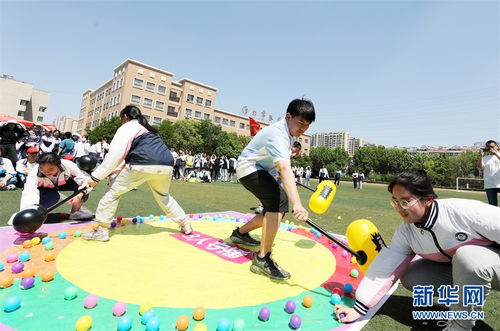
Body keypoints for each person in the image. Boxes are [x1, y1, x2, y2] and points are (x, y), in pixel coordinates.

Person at [334, 171, 500, 331]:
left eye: (405, 202)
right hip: (466, 268)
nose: (399, 208)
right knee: (413, 275)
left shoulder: (462, 211)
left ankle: (459, 327)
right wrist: (358, 309)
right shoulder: (406, 231)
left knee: (468, 257)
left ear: (427, 199)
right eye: (395, 201)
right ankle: (458, 302)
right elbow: (385, 268)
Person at [229, 98, 315, 280]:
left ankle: (240, 234)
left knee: (276, 211)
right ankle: (262, 259)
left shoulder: (287, 133)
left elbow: (282, 161)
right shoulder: (278, 134)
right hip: (248, 168)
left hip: (260, 169)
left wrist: (294, 149)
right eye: (300, 123)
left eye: (307, 125)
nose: (302, 128)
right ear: (288, 116)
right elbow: (284, 169)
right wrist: (298, 204)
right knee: (280, 201)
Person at [83, 105, 193, 241]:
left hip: (142, 164)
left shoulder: (127, 127)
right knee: (164, 196)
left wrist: (95, 177)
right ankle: (185, 223)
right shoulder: (149, 130)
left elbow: (115, 155)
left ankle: (101, 230)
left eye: (120, 119)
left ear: (125, 117)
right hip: (166, 166)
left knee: (112, 193)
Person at [16, 152, 92, 219]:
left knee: (83, 188)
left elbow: (86, 180)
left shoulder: (69, 165)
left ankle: (75, 213)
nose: (46, 172)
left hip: (63, 183)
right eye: (42, 169)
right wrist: (26, 213)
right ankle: (35, 212)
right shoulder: (34, 173)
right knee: (53, 197)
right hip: (44, 187)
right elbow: (29, 192)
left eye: (50, 169)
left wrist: (80, 194)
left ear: (58, 166)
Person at [477, 140, 500, 206]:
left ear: (497, 146)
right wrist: (481, 156)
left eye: (492, 146)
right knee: (492, 205)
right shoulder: (485, 158)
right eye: (488, 147)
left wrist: (496, 154)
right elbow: (479, 166)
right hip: (489, 185)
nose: (490, 148)